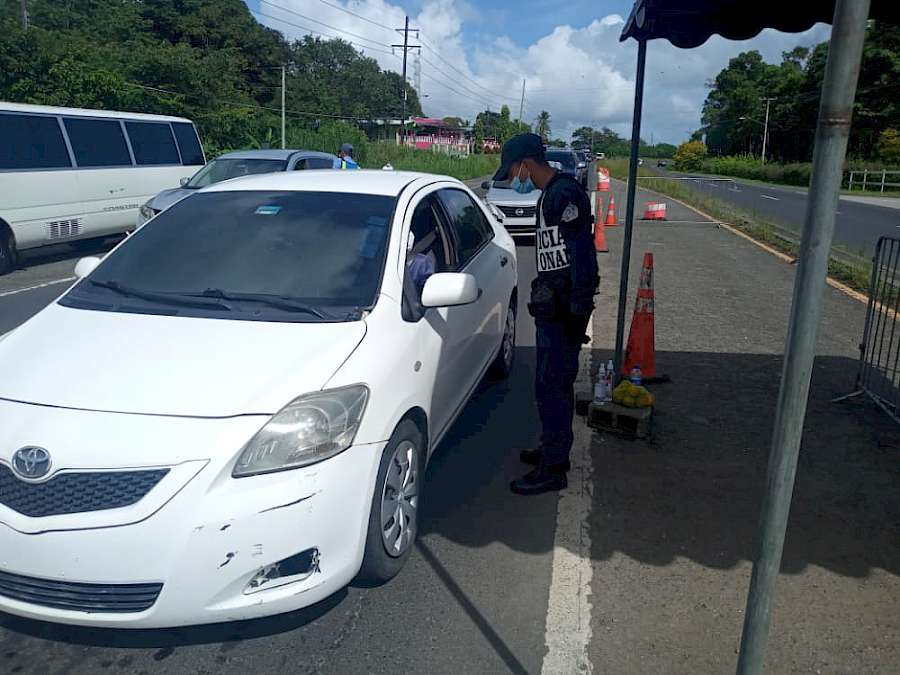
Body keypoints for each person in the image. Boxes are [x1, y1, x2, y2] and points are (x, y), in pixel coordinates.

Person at [495, 133, 599, 496]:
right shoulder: (550, 194)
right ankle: (552, 448)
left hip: (565, 309)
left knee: (552, 387)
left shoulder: (564, 194)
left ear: (526, 164)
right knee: (548, 384)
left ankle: (554, 468)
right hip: (553, 306)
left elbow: (582, 256)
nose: (513, 178)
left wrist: (577, 308)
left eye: (513, 170)